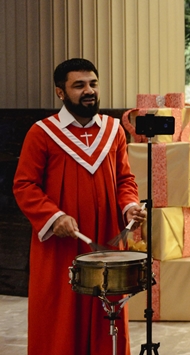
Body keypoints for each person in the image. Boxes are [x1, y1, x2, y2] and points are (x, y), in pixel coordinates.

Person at [13, 58, 146, 355]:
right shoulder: (42, 133)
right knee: (59, 316)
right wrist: (53, 216)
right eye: (79, 85)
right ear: (61, 92)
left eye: (93, 84)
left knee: (105, 316)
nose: (89, 91)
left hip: (106, 239)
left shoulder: (113, 131)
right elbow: (24, 185)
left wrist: (129, 207)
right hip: (62, 243)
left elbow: (124, 179)